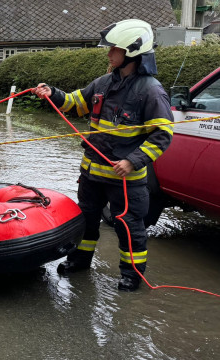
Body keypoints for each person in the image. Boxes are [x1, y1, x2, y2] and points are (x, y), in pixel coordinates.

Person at [31, 19, 173, 292]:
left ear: (131, 52)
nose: (108, 54)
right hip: (92, 174)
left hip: (125, 181)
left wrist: (133, 160)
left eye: (114, 49)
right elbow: (76, 103)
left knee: (129, 227)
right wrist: (54, 94)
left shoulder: (151, 91)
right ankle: (79, 261)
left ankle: (132, 275)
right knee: (86, 220)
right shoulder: (103, 83)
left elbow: (163, 135)